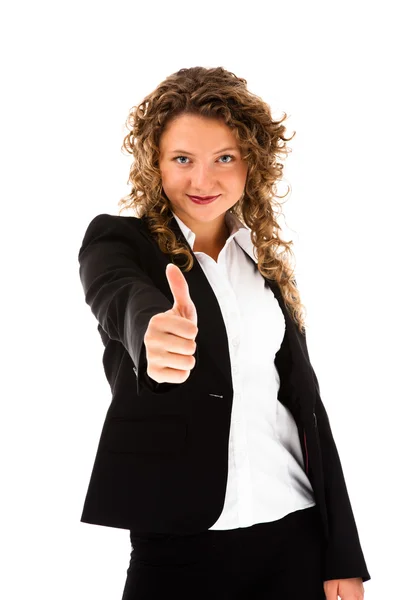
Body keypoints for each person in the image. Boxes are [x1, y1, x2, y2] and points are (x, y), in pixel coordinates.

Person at [77, 66, 371, 599]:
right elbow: (117, 293)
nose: (203, 181)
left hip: (296, 535)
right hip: (179, 548)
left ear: (250, 163)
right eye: (183, 159)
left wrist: (341, 554)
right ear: (155, 163)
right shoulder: (120, 243)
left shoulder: (263, 266)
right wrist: (150, 332)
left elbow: (305, 410)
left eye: (225, 158)